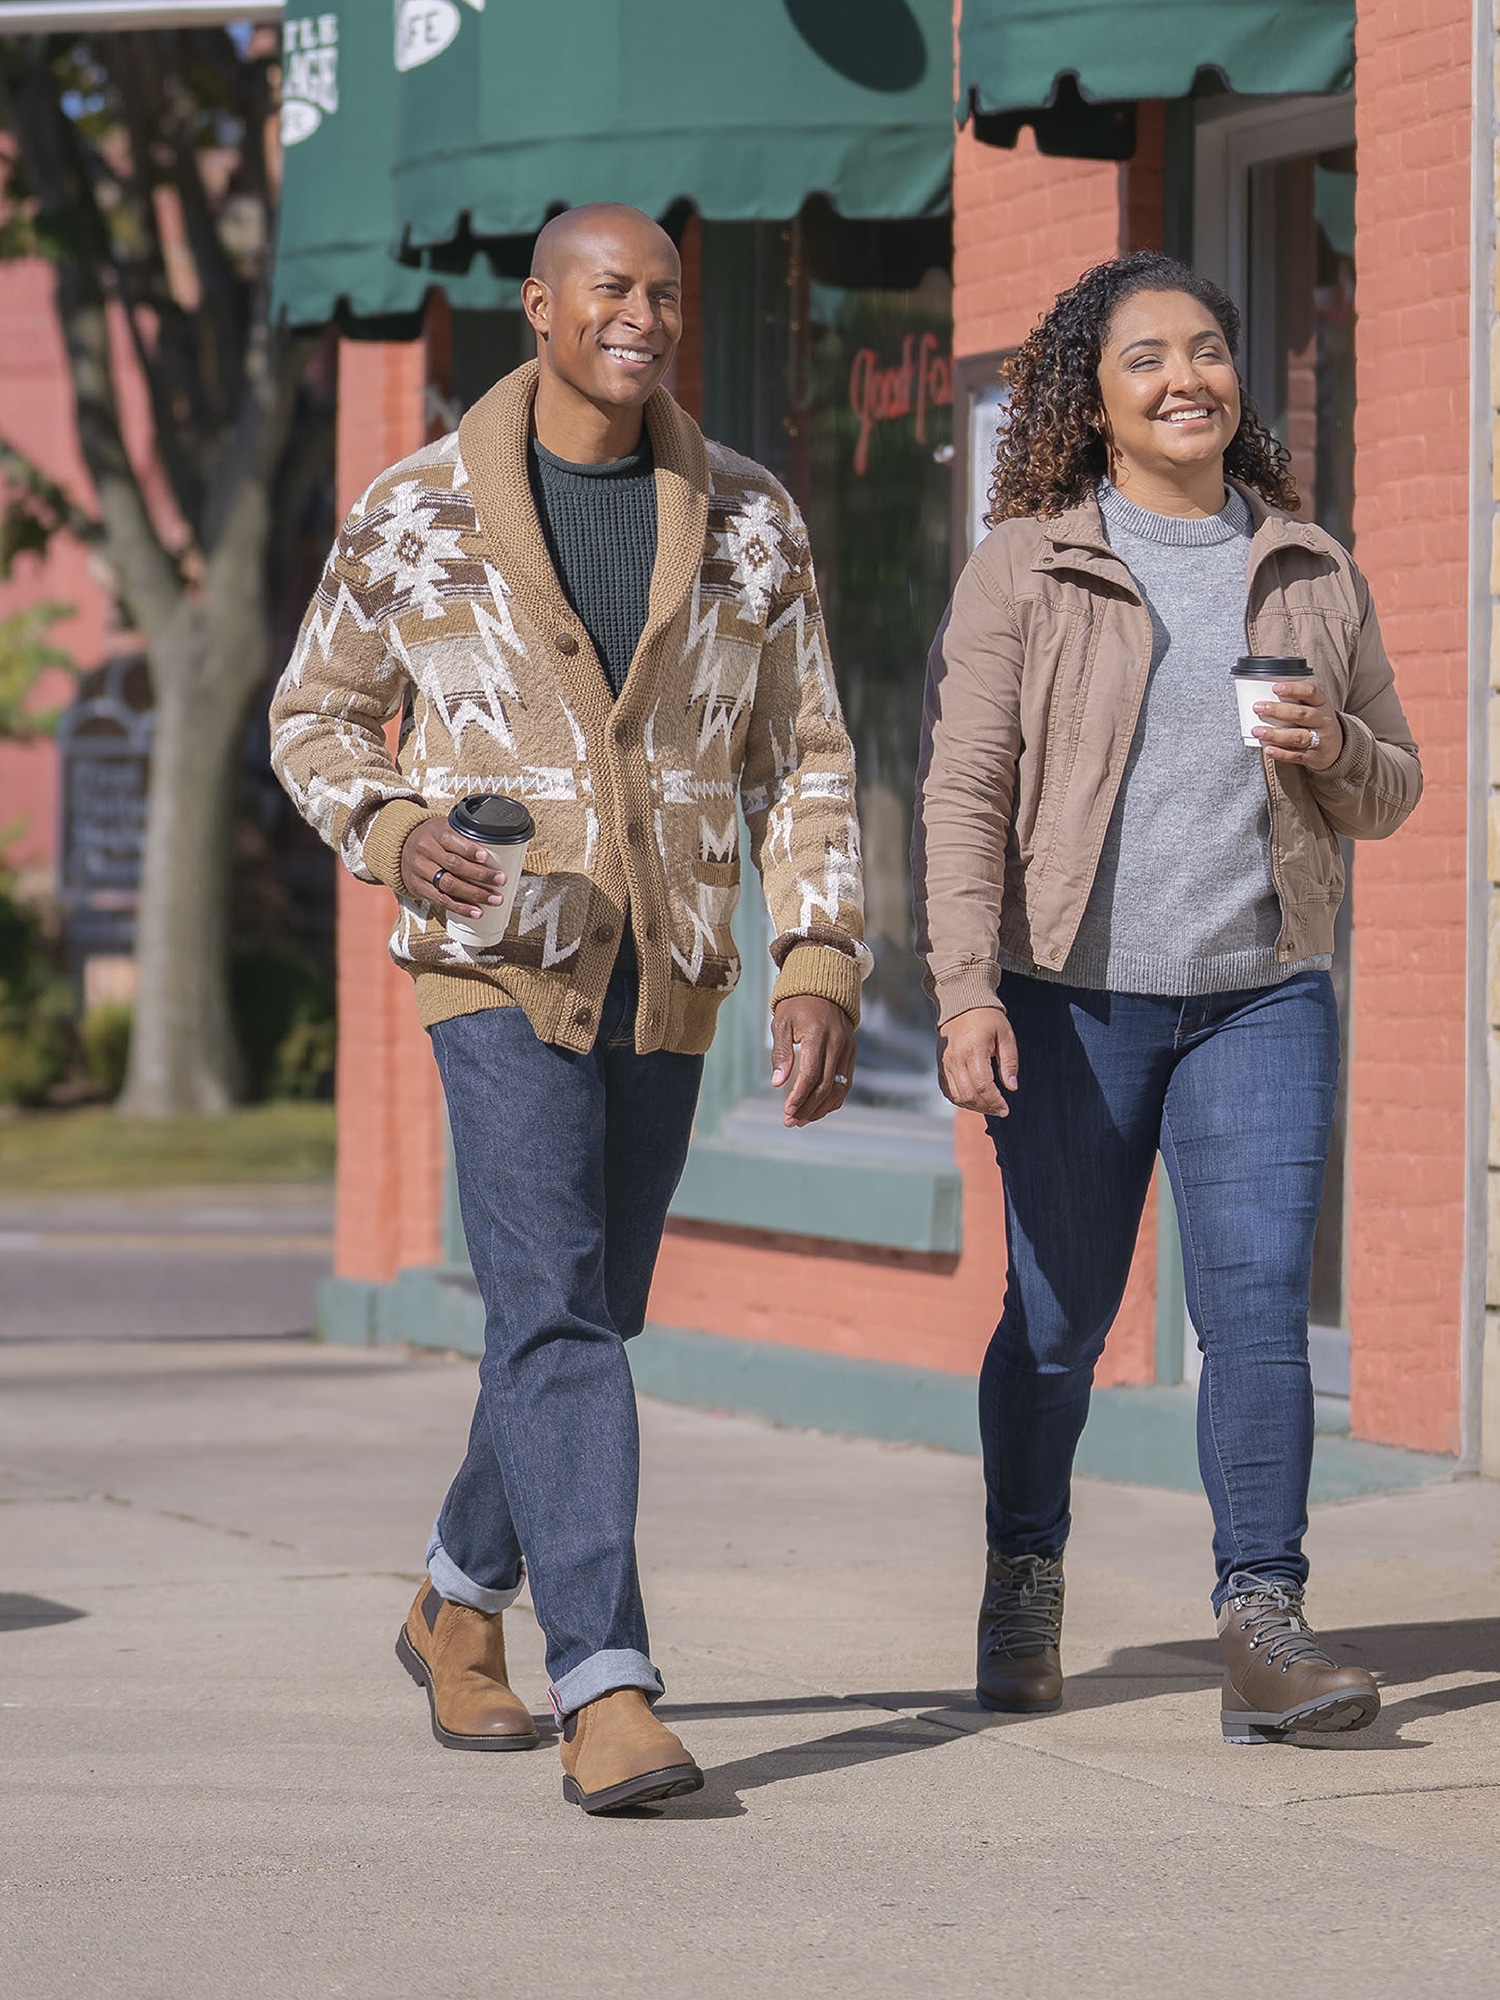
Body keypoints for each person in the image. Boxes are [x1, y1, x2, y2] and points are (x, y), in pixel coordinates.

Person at [271, 203, 867, 1812]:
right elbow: (313, 720)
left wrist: (818, 959)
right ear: (539, 304)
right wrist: (396, 838)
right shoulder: (416, 510)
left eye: (667, 291)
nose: (647, 315)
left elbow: (804, 754)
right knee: (549, 1309)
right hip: (496, 964)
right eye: (613, 288)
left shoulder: (750, 515)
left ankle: (457, 1602)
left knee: (587, 1318)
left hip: (672, 973)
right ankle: (604, 1680)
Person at [913, 250, 1420, 1746]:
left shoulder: (1311, 565)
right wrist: (961, 991)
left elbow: (1394, 789)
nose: (1185, 377)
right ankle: (1024, 1568)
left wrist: (1332, 744)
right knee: (1061, 1323)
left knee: (1255, 1305)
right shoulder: (1028, 564)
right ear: (1095, 395)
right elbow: (965, 790)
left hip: (1261, 991)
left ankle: (1262, 1617)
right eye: (1147, 358)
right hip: (1069, 999)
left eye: (1207, 349)